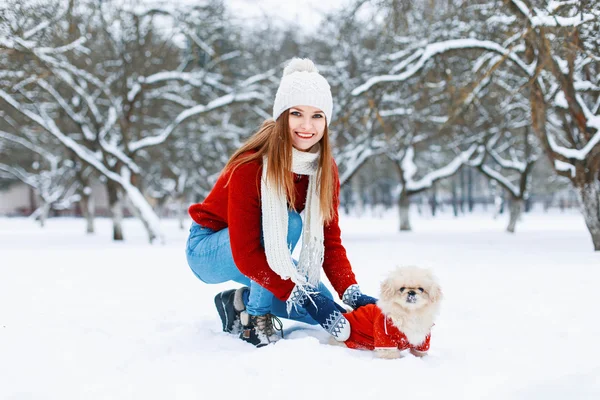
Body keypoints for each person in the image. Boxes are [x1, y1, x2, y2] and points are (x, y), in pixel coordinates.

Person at [185, 57, 377, 347]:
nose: (307, 126)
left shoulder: (325, 170)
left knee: (318, 309)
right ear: (282, 115)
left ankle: (238, 303)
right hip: (210, 249)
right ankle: (254, 321)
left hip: (262, 251)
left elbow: (330, 242)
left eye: (317, 116)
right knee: (290, 223)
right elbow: (246, 253)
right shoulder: (250, 166)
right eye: (297, 113)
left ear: (327, 121)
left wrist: (352, 294)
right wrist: (297, 292)